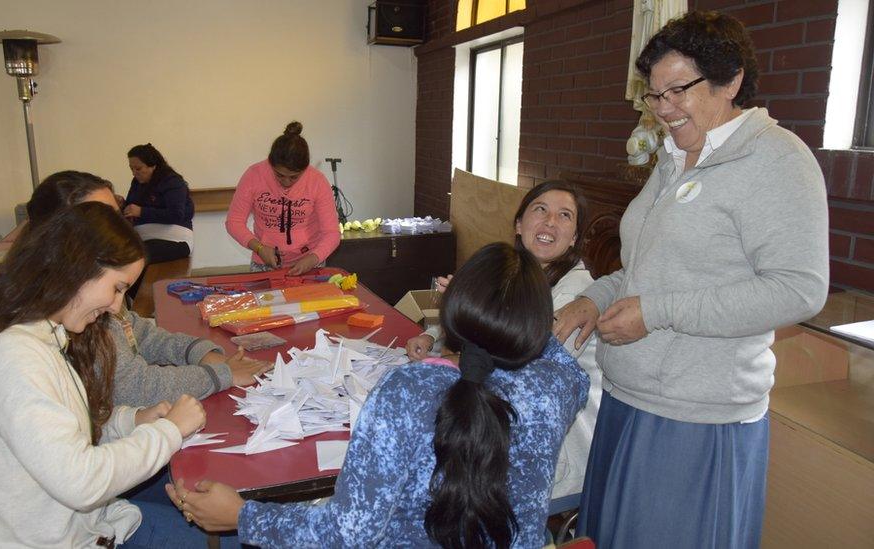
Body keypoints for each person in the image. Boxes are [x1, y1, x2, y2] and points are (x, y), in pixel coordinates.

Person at [553, 11, 829, 548]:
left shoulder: (776, 160)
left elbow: (799, 288)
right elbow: (643, 270)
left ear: (731, 81)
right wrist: (590, 300)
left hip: (695, 419)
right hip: (629, 397)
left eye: (677, 90)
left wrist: (656, 312)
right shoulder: (673, 158)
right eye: (654, 96)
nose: (663, 110)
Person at [167, 242, 590, 547]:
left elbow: (351, 530)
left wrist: (243, 516)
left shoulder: (408, 391)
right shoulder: (555, 387)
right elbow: (555, 360)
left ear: (455, 312)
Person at [0, 202, 210, 548]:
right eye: (117, 288)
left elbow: (56, 432)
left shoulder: (36, 331)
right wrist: (169, 431)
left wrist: (130, 420)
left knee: (204, 513)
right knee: (209, 534)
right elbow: (81, 482)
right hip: (61, 538)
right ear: (78, 269)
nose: (117, 306)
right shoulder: (13, 354)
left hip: (80, 526)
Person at [406, 180, 602, 503]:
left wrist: (455, 352)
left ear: (574, 238)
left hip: (554, 450)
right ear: (519, 223)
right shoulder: (514, 272)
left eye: (565, 216)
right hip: (506, 424)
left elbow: (518, 371)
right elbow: (490, 327)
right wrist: (433, 334)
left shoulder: (575, 294)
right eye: (541, 209)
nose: (551, 222)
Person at [27, 170, 272, 407]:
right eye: (102, 220)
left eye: (116, 217)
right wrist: (219, 375)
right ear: (62, 237)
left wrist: (198, 352)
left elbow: (135, 330)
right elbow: (134, 387)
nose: (117, 230)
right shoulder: (56, 326)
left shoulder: (92, 295)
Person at [226, 121, 341, 275]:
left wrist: (313, 258)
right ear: (270, 164)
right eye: (279, 175)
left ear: (305, 168)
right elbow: (234, 222)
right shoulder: (254, 175)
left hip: (310, 262)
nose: (286, 182)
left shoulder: (317, 181)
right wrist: (259, 248)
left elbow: (332, 233)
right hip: (264, 262)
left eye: (294, 177)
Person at [124, 143, 195, 298]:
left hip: (174, 240)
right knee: (123, 256)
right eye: (131, 169)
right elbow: (130, 206)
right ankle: (139, 303)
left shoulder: (172, 181)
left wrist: (141, 211)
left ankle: (144, 305)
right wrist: (121, 204)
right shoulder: (136, 183)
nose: (135, 173)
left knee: (136, 257)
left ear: (153, 166)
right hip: (146, 239)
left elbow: (176, 215)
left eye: (139, 169)